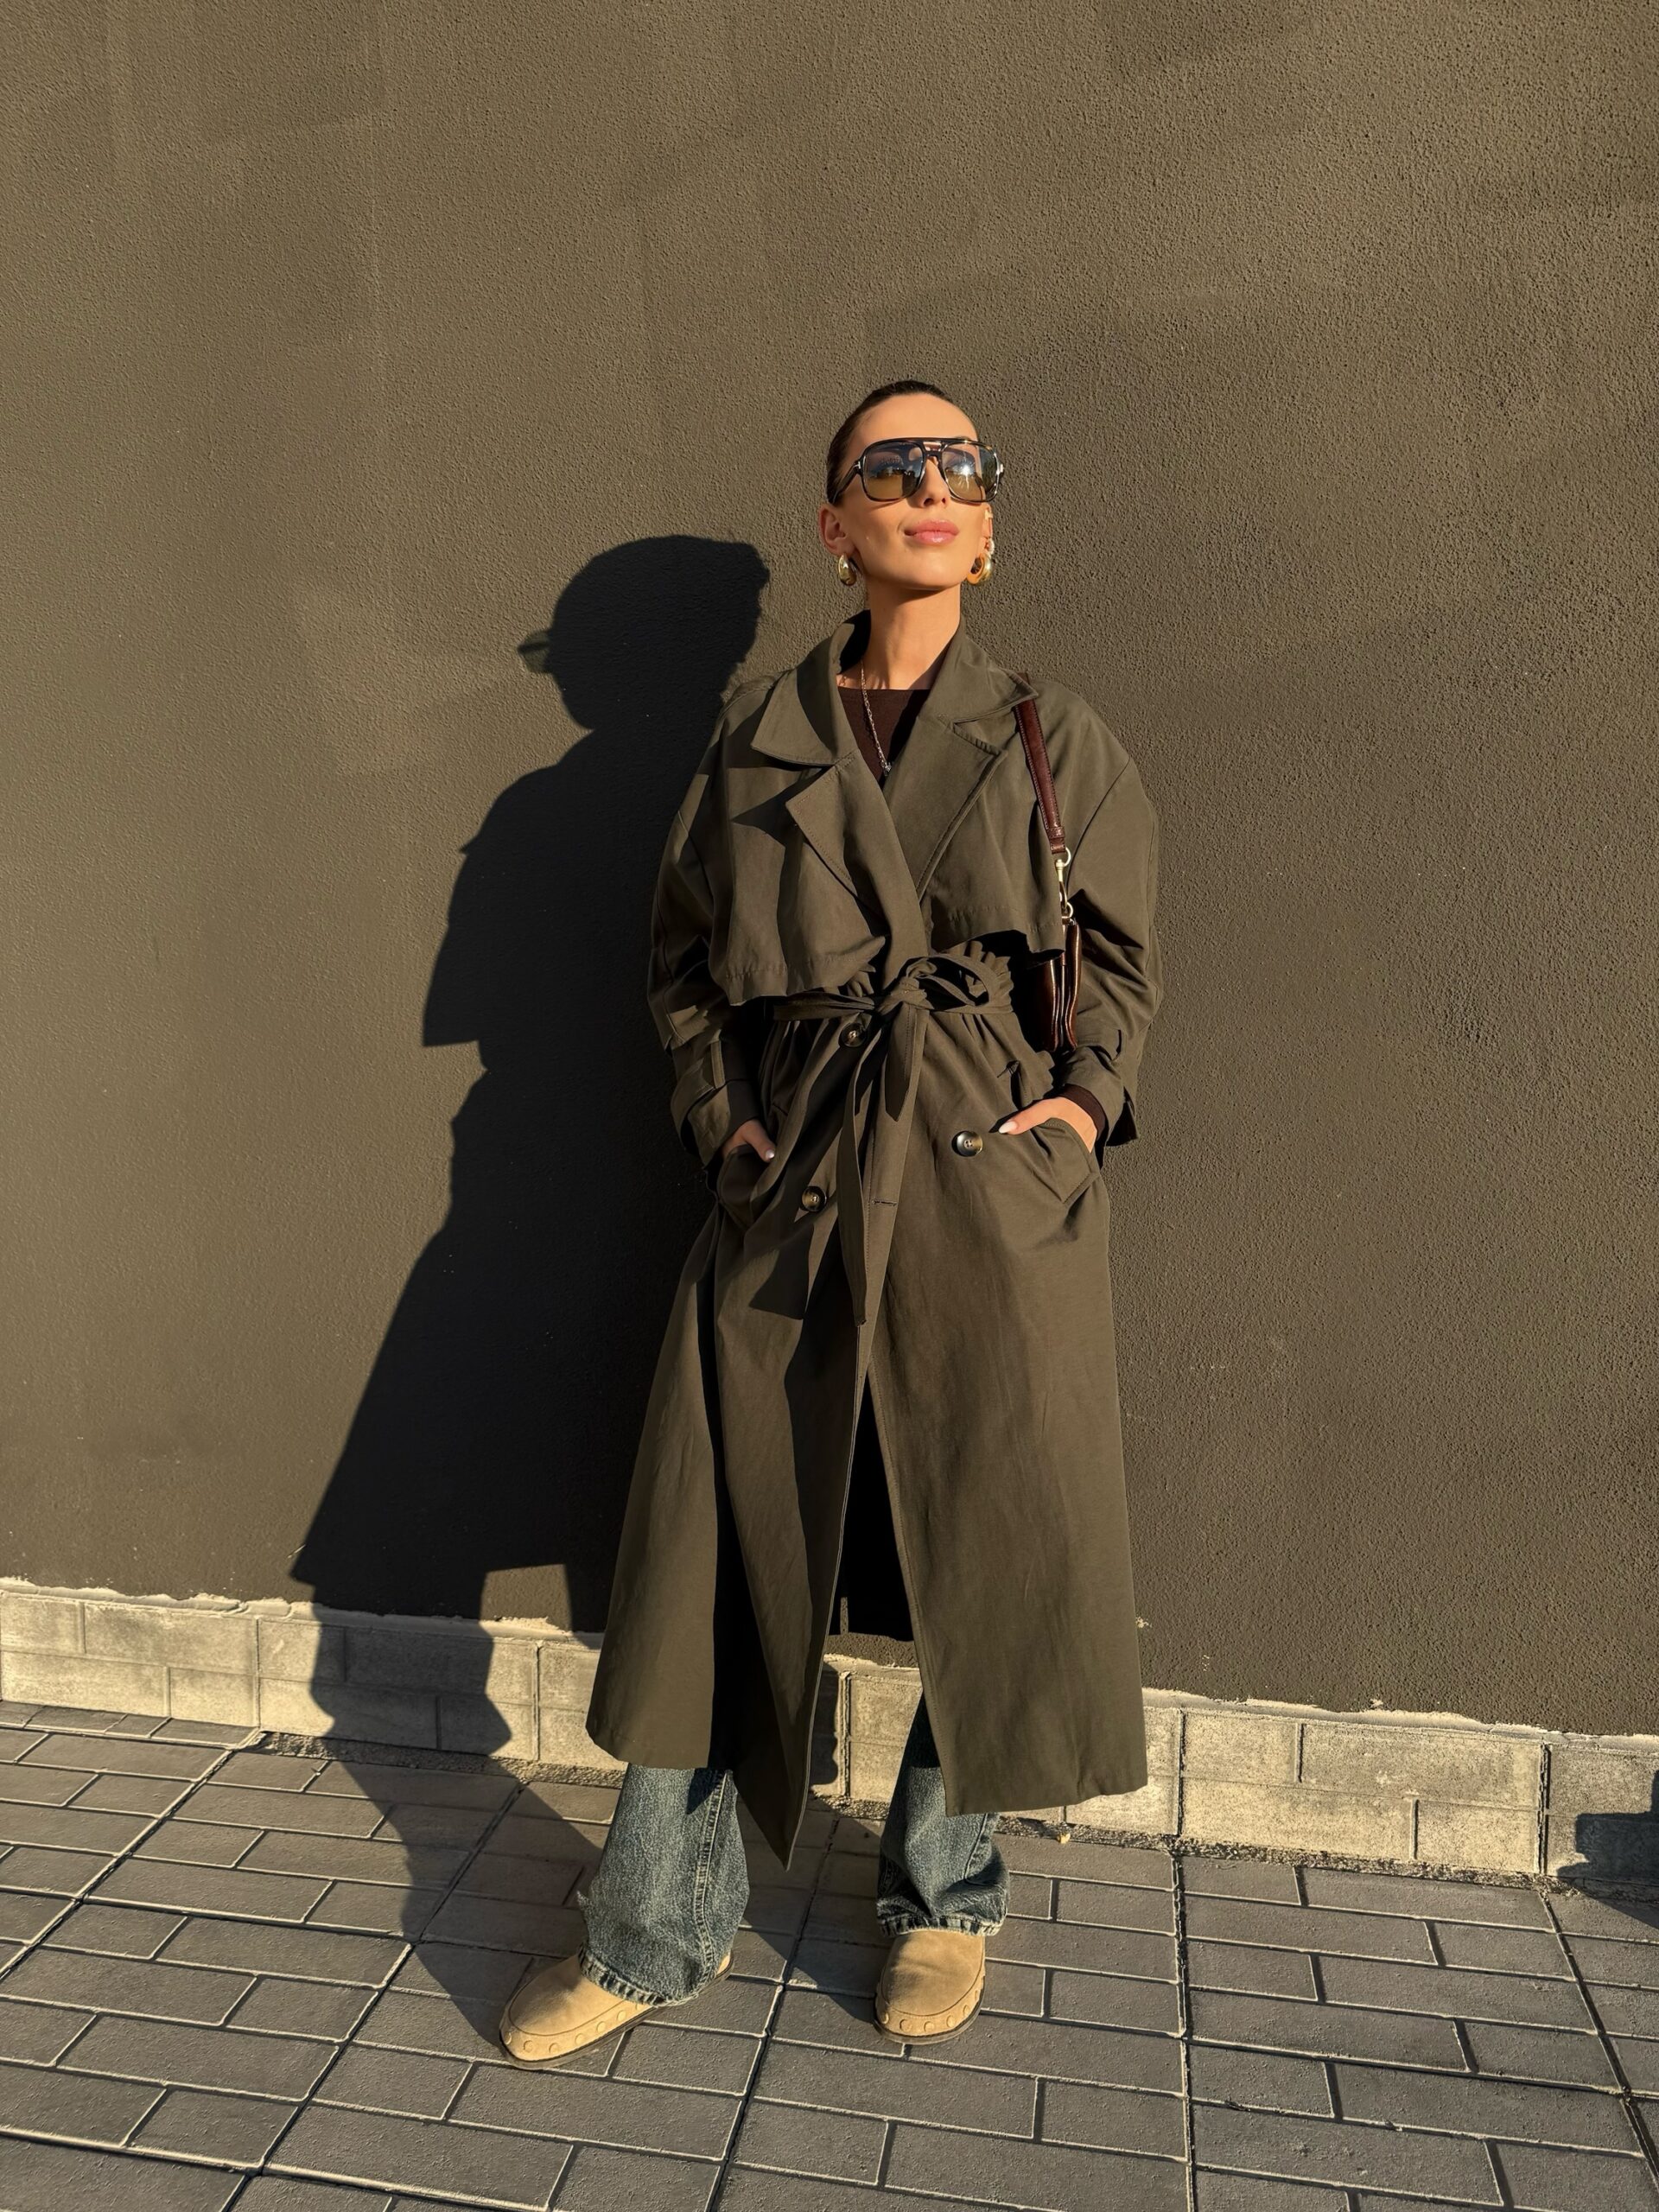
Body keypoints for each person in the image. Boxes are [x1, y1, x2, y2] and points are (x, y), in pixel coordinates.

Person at [499, 380, 1165, 2066]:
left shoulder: (1051, 734)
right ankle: (653, 1927)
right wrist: (722, 1114)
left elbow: (1121, 965)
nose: (933, 485)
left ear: (986, 528)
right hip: (792, 1184)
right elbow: (683, 962)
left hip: (984, 1186)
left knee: (985, 1546)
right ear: (836, 523)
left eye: (963, 466)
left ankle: (946, 1895)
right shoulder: (759, 742)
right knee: (707, 1555)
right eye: (894, 464)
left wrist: (1080, 1111)